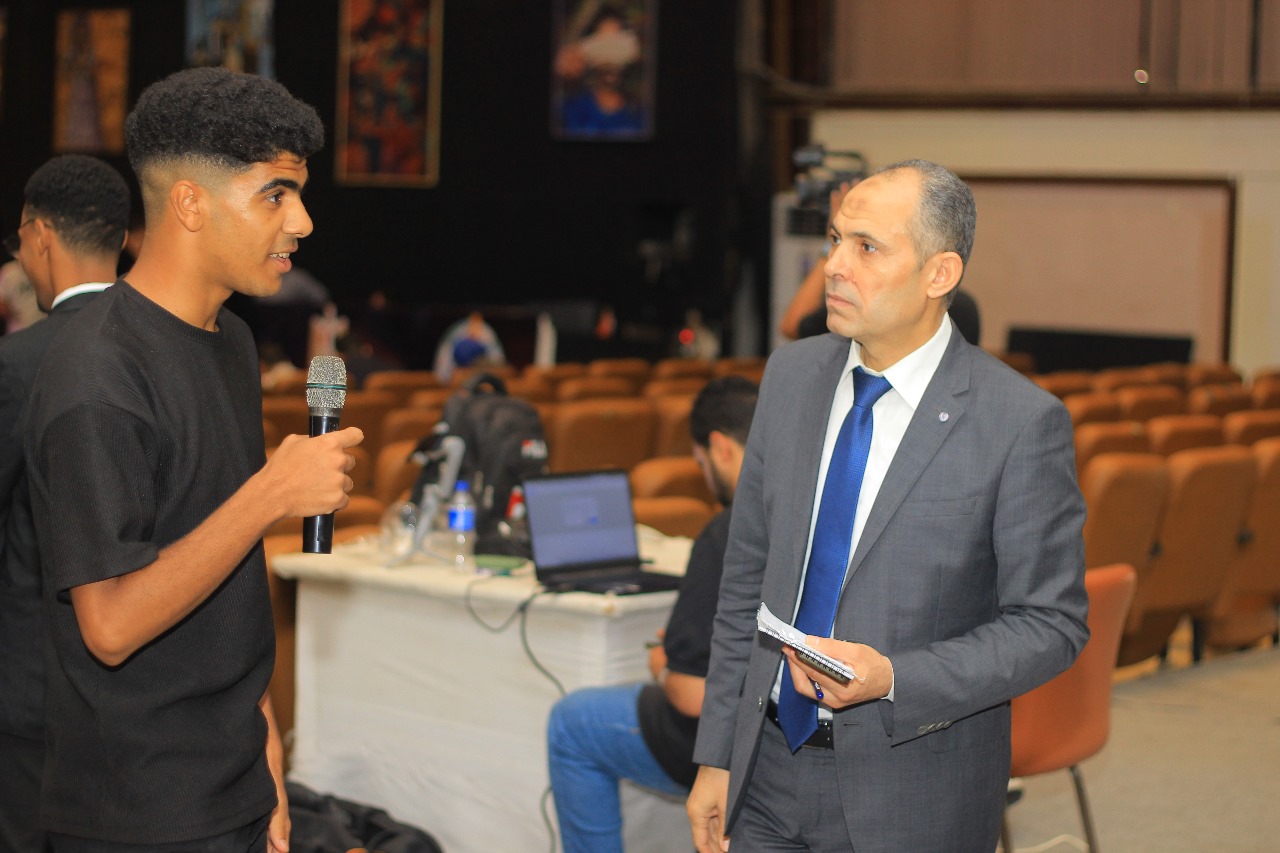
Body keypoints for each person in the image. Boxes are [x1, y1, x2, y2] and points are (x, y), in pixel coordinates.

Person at [686, 160, 1089, 853]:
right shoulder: (789, 376)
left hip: (914, 791)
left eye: (866, 247)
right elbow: (745, 581)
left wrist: (896, 678)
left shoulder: (1018, 421)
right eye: (835, 240)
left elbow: (1051, 624)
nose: (835, 266)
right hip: (765, 769)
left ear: (939, 274)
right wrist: (718, 753)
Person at [24, 67, 362, 852]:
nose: (302, 221)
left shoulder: (231, 340)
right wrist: (272, 492)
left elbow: (223, 568)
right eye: (276, 194)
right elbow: (110, 625)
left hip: (231, 776)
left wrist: (264, 735)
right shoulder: (97, 372)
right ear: (189, 203)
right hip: (139, 808)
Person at [546, 375, 759, 853]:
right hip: (805, 734)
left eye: (700, 463)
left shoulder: (729, 533)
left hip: (741, 747)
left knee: (573, 722)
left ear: (719, 448)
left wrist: (665, 667)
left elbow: (695, 696)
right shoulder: (818, 505)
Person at [0, 154, 130, 853]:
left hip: (33, 681)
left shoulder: (21, 363)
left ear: (41, 234)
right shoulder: (168, 349)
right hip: (141, 690)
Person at [432, 310, 505, 381]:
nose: (475, 328)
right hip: (454, 377)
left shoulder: (487, 334)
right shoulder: (458, 334)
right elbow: (442, 374)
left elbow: (497, 361)